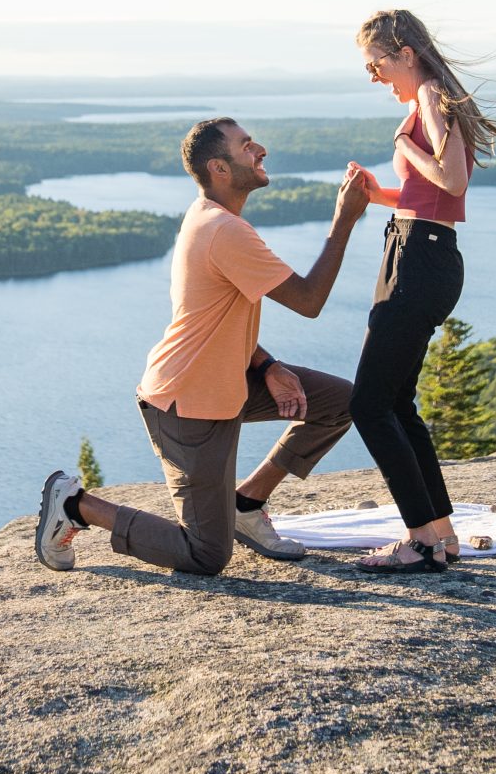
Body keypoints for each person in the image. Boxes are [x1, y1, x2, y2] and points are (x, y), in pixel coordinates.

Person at [36, 118, 375, 575]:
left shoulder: (212, 218)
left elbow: (215, 317)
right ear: (218, 167)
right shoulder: (224, 230)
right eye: (246, 146)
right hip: (189, 402)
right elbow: (309, 301)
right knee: (205, 554)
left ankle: (247, 504)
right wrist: (344, 219)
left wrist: (269, 364)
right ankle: (76, 506)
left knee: (340, 403)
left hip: (229, 381)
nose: (261, 150)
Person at [341, 9, 496, 572]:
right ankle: (441, 537)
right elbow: (435, 195)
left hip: (419, 260)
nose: (374, 78)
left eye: (377, 65)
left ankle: (419, 541)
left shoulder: (431, 98)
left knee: (368, 404)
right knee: (395, 403)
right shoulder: (433, 99)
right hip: (421, 250)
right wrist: (379, 194)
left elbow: (454, 180)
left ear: (406, 55)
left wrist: (404, 143)